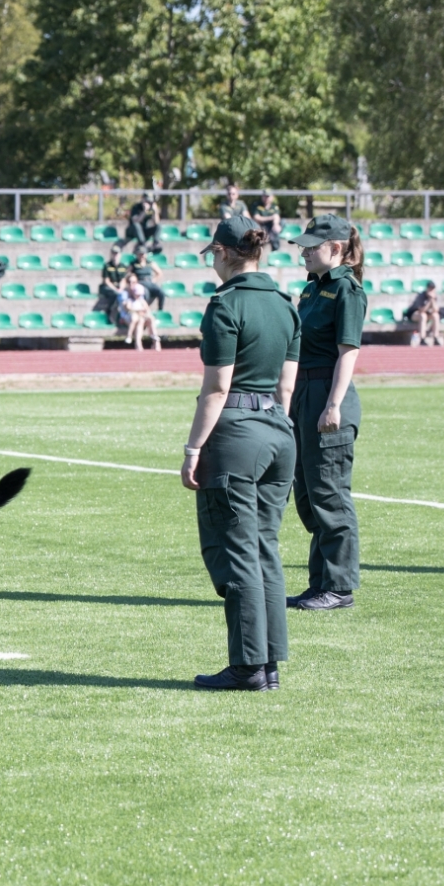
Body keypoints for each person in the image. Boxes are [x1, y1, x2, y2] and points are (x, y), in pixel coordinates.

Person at [181, 216, 300, 692]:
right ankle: (268, 662)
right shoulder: (285, 305)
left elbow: (216, 387)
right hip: (278, 431)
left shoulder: (226, 305)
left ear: (227, 253)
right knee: (265, 549)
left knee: (237, 553)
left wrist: (194, 447)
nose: (212, 261)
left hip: (235, 434)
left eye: (212, 253)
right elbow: (285, 386)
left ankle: (248, 665)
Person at [286, 214, 366, 611]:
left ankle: (339, 586)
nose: (303, 252)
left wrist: (333, 404)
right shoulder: (311, 291)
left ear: (335, 249)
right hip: (305, 391)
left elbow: (347, 352)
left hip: (327, 392)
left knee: (329, 494)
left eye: (310, 246)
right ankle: (319, 583)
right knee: (308, 493)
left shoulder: (346, 291)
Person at [121, 275, 160, 350]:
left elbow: (145, 306)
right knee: (138, 320)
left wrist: (144, 312)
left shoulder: (138, 292)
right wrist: (138, 311)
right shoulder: (125, 294)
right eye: (129, 282)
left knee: (150, 318)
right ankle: (138, 343)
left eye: (134, 282)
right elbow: (126, 307)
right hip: (128, 316)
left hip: (139, 315)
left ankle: (156, 341)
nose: (132, 284)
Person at [121, 191, 161, 256]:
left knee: (159, 226)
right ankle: (143, 244)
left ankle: (155, 244)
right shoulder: (136, 207)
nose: (148, 203)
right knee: (137, 225)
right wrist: (144, 211)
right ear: (142, 199)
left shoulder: (151, 209)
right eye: (147, 201)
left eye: (150, 201)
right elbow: (135, 221)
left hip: (143, 231)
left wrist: (155, 211)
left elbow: (156, 222)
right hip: (132, 231)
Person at [409, 281, 444, 347]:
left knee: (436, 315)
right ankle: (422, 338)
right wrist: (429, 301)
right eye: (430, 288)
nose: (431, 290)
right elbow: (422, 310)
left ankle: (436, 337)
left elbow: (436, 310)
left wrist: (432, 300)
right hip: (415, 314)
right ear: (427, 288)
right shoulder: (421, 296)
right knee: (423, 316)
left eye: (433, 288)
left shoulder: (435, 296)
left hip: (427, 314)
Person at [98, 246, 126, 324]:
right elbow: (106, 281)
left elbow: (123, 280)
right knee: (114, 294)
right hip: (108, 287)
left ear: (120, 255)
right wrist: (115, 289)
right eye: (113, 253)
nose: (115, 255)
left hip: (118, 287)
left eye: (116, 253)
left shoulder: (123, 266)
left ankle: (122, 316)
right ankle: (109, 311)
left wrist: (121, 288)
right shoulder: (107, 266)